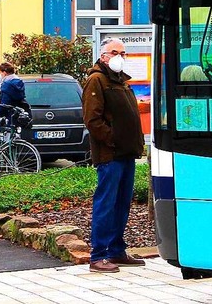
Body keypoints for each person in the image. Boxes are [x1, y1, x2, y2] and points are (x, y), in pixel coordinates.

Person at [82, 37, 145, 273]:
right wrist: (113, 139)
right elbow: (92, 119)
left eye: (123, 52)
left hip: (126, 153)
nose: (120, 56)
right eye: (115, 52)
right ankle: (98, 255)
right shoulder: (96, 80)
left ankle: (116, 250)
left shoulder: (121, 81)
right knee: (106, 204)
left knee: (121, 204)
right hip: (110, 155)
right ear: (103, 56)